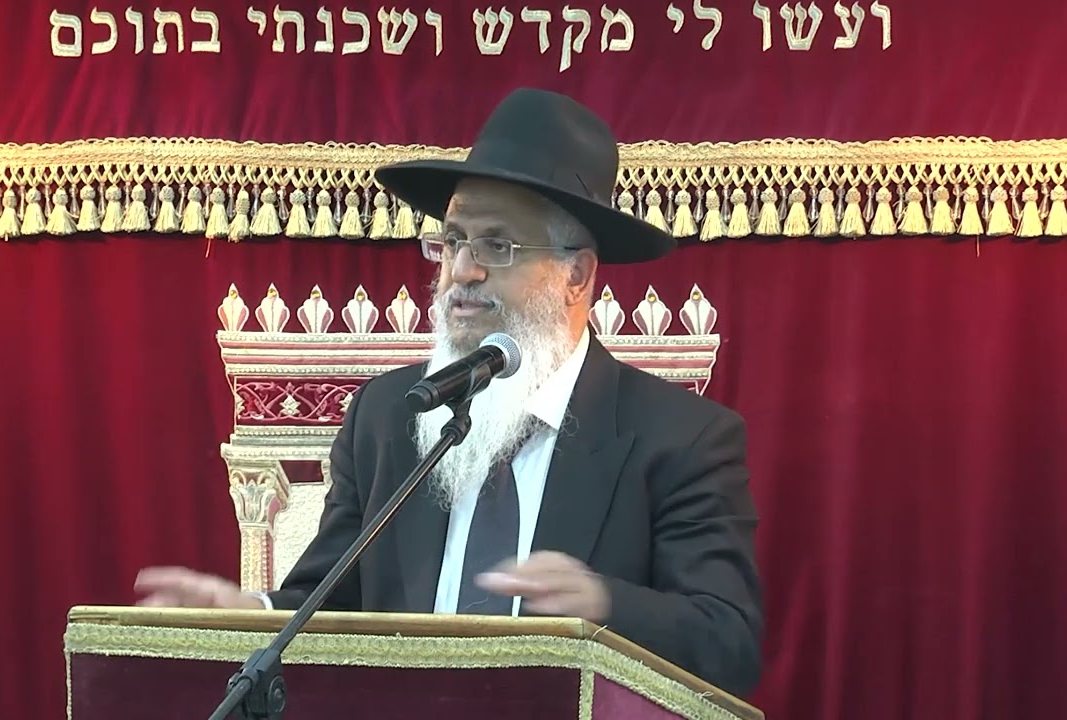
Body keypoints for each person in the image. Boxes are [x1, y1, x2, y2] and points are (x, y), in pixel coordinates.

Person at [135, 88, 764, 697]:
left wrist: (602, 605)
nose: (462, 271)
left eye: (498, 245)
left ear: (576, 275)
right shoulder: (389, 417)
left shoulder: (681, 438)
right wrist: (252, 613)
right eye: (453, 240)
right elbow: (330, 601)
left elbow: (729, 643)